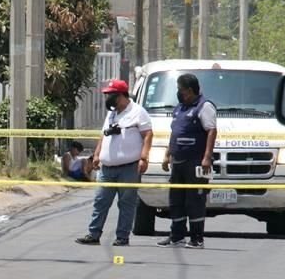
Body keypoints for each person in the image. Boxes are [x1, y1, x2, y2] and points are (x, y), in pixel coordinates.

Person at [75, 79, 153, 246]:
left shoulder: (138, 112)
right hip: (107, 168)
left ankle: (122, 237)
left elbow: (147, 135)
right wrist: (96, 155)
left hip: (129, 168)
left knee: (126, 203)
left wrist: (144, 157)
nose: (108, 98)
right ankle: (93, 234)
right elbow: (104, 135)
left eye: (111, 95)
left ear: (121, 95)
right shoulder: (112, 113)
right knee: (100, 201)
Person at [158, 73, 217, 249]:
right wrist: (167, 154)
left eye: (180, 90)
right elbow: (175, 132)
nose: (178, 93)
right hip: (178, 161)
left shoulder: (204, 106)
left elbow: (212, 131)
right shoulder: (180, 108)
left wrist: (207, 157)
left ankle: (197, 238)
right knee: (176, 199)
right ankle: (177, 236)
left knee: (194, 200)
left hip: (195, 162)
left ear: (190, 90)